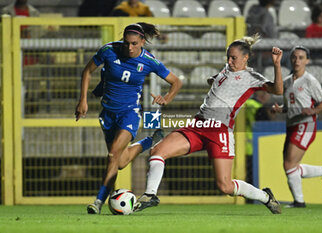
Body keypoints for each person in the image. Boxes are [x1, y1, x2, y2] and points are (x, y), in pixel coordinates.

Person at [134, 34, 284, 214]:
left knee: (225, 186)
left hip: (220, 131)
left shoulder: (251, 77)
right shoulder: (226, 69)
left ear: (245, 58)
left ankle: (265, 197)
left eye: (233, 58)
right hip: (198, 124)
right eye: (228, 57)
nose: (229, 61)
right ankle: (150, 195)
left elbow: (278, 90)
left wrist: (276, 64)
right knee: (157, 151)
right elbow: (214, 82)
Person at [75, 22, 182, 214]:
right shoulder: (108, 50)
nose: (129, 48)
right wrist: (83, 100)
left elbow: (176, 82)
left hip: (130, 113)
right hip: (107, 113)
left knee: (113, 154)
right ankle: (151, 140)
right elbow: (86, 71)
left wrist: (166, 98)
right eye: (126, 43)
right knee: (121, 161)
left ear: (142, 41)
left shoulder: (149, 61)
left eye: (134, 43)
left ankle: (98, 201)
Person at [272, 45, 322, 208]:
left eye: (301, 57)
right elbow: (291, 105)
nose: (297, 60)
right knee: (290, 166)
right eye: (294, 57)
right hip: (291, 124)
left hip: (305, 124)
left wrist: (313, 110)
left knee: (289, 164)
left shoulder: (310, 81)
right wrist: (281, 109)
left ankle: (299, 202)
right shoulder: (287, 82)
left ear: (307, 61)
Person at [244, 91, 274, 186]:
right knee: (253, 176)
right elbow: (266, 126)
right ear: (263, 95)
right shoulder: (258, 108)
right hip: (254, 147)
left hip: (242, 146)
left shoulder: (246, 104)